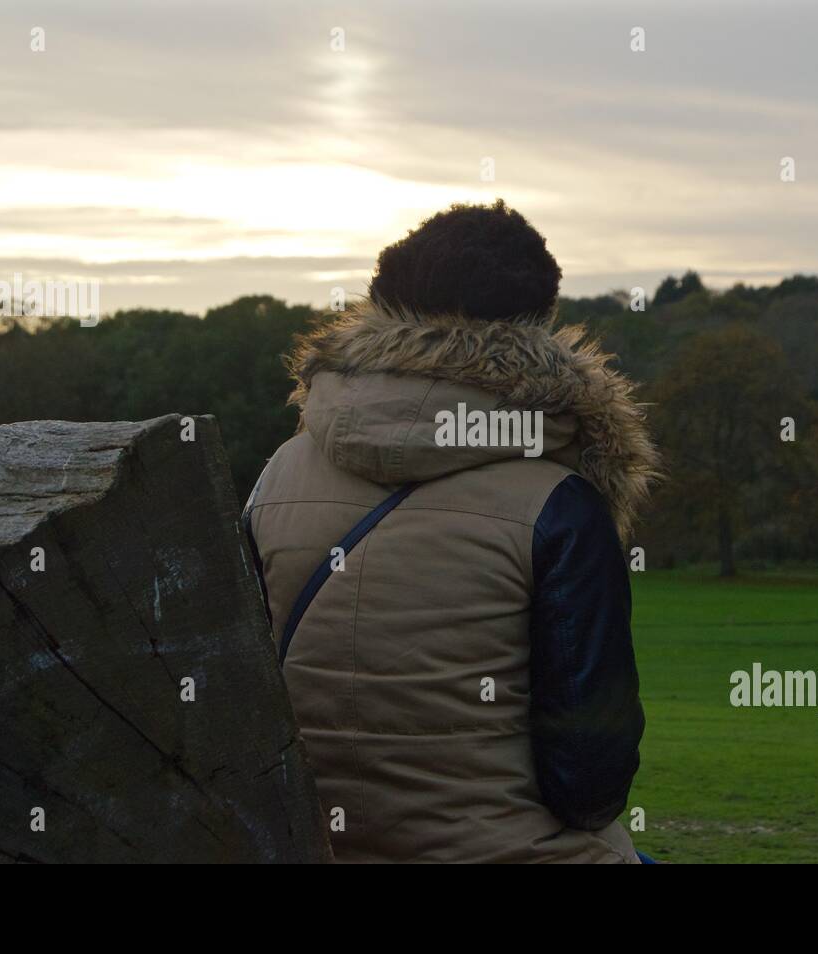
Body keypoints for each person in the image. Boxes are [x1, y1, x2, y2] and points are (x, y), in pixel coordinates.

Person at [244, 199, 660, 862]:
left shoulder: (277, 477)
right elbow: (589, 783)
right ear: (537, 325)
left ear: (381, 304)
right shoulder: (560, 502)